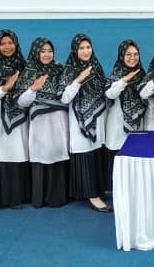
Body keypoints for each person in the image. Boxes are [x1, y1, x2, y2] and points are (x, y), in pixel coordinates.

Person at [15, 37, 70, 208]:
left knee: (58, 154)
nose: (47, 54)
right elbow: (21, 102)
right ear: (35, 52)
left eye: (50, 51)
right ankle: (40, 198)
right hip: (40, 122)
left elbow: (66, 95)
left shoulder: (60, 69)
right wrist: (33, 89)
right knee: (42, 155)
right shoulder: (29, 71)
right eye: (43, 51)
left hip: (60, 120)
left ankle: (58, 197)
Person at [59, 34, 112, 212]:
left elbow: (104, 90)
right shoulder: (69, 69)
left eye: (88, 47)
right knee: (85, 155)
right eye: (81, 48)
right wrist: (78, 79)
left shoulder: (95, 66)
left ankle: (98, 190)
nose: (85, 51)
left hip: (99, 118)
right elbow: (64, 98)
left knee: (97, 153)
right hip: (79, 121)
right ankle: (92, 195)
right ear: (75, 50)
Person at [0, 29, 27, 209]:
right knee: (7, 154)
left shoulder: (24, 65)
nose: (7, 47)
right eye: (3, 44)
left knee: (21, 152)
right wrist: (5, 88)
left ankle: (24, 194)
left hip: (22, 116)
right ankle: (8, 197)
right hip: (0, 117)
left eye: (10, 43)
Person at [104, 40, 145, 183]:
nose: (132, 58)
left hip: (137, 126)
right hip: (117, 127)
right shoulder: (116, 74)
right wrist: (124, 80)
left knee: (135, 165)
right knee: (118, 166)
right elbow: (110, 94)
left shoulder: (142, 74)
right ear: (122, 56)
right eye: (128, 54)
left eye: (135, 54)